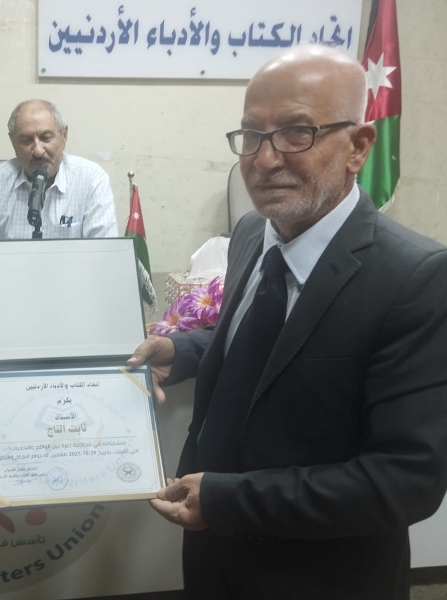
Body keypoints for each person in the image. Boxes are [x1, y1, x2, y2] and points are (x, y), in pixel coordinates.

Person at [129, 45, 447, 600]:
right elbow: (266, 340)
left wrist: (229, 502)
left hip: (320, 577)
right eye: (252, 134)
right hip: (210, 559)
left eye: (297, 132)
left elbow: (405, 481)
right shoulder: (252, 233)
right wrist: (185, 351)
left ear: (358, 147)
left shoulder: (415, 278)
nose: (264, 159)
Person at [0, 99, 119, 295]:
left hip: (74, 293)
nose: (37, 151)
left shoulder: (92, 179)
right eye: (26, 140)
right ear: (13, 142)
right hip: (6, 294)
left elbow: (106, 255)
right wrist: (2, 279)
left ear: (64, 136)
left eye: (46, 138)